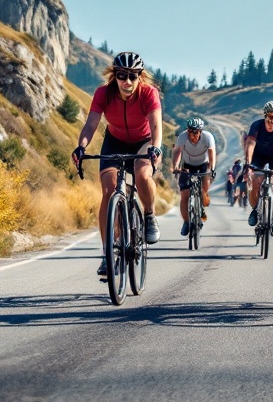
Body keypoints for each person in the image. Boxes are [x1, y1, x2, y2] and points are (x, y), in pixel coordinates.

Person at [72, 51, 162, 279]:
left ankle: (149, 215)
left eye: (133, 76)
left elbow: (155, 124)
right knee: (108, 191)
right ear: (115, 75)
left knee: (142, 175)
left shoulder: (149, 93)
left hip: (144, 142)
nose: (127, 81)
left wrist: (156, 147)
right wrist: (81, 147)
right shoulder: (103, 93)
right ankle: (107, 254)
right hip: (114, 141)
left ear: (140, 76)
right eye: (122, 75)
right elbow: (91, 123)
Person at [244, 100, 273, 238]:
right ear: (265, 116)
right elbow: (250, 145)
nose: (271, 121)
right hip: (259, 155)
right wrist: (248, 165)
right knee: (255, 178)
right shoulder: (257, 126)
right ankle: (255, 209)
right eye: (269, 117)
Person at [172, 116, 216, 236]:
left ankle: (201, 205)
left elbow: (212, 153)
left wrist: (212, 169)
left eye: (195, 132)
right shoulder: (183, 137)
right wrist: (175, 166)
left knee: (204, 189)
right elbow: (177, 152)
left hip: (203, 165)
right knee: (184, 195)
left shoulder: (208, 137)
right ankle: (186, 222)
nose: (192, 134)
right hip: (187, 165)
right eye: (190, 131)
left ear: (200, 131)